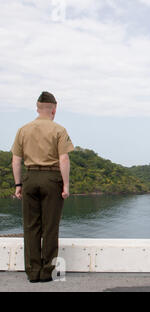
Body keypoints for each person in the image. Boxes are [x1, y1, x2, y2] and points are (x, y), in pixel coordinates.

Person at [11, 91, 74, 283]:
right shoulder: (59, 130)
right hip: (52, 178)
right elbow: (63, 158)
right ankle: (47, 272)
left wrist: (18, 184)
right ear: (54, 110)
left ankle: (32, 272)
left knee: (31, 227)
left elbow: (16, 160)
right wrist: (65, 185)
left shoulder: (23, 130)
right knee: (50, 227)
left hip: (30, 177)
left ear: (37, 108)